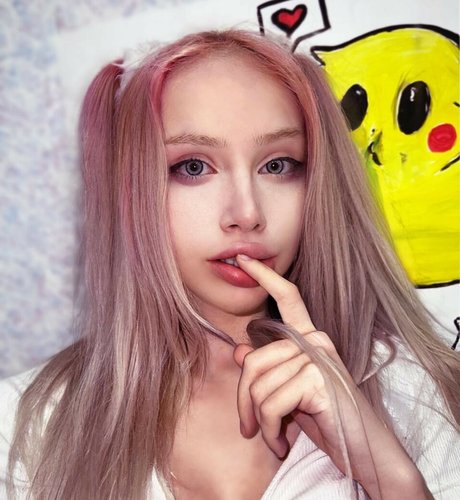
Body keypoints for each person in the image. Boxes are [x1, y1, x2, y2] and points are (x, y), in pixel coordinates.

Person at [1, 29, 459, 500]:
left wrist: (393, 479)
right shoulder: (22, 425)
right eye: (193, 167)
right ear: (130, 187)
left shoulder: (409, 390)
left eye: (277, 165)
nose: (247, 213)